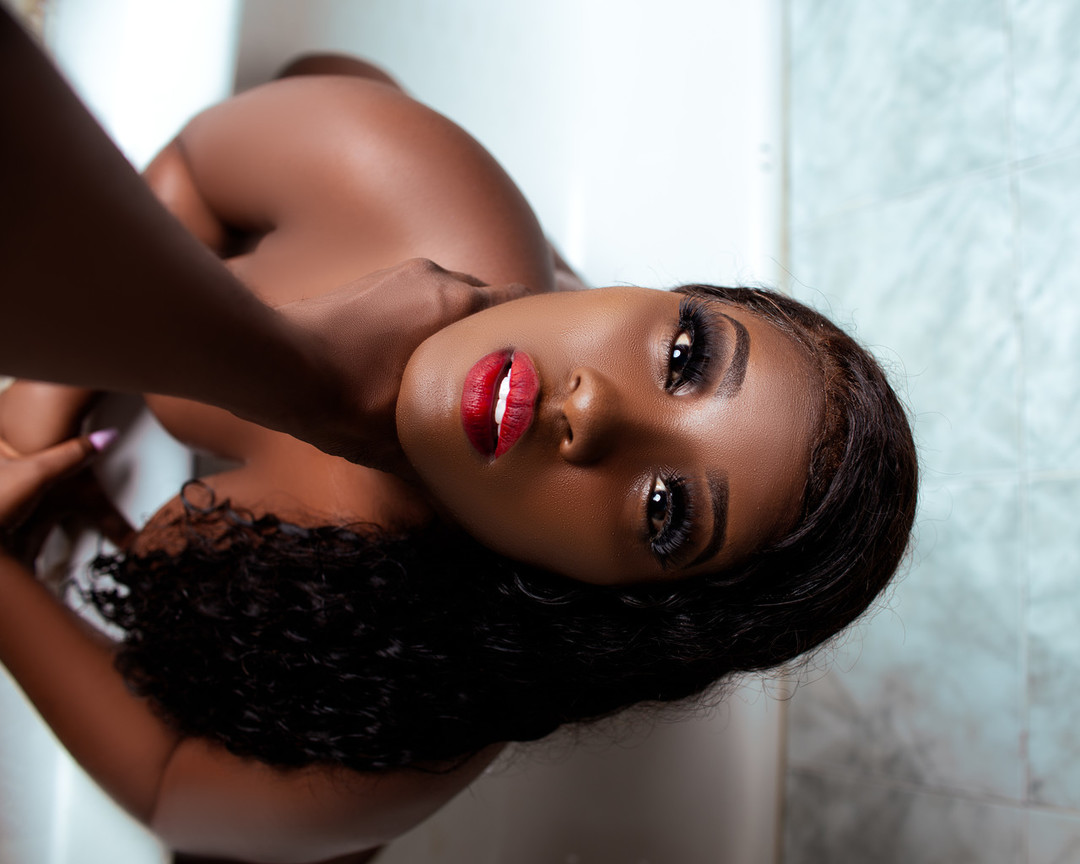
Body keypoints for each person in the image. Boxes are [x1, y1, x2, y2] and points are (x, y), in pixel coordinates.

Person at [0, 11, 918, 864]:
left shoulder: (408, 706)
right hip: (409, 191)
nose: (595, 411)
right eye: (686, 355)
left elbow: (170, 786)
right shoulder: (420, 190)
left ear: (619, 597)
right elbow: (193, 169)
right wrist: (41, 396)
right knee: (332, 81)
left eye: (666, 509)